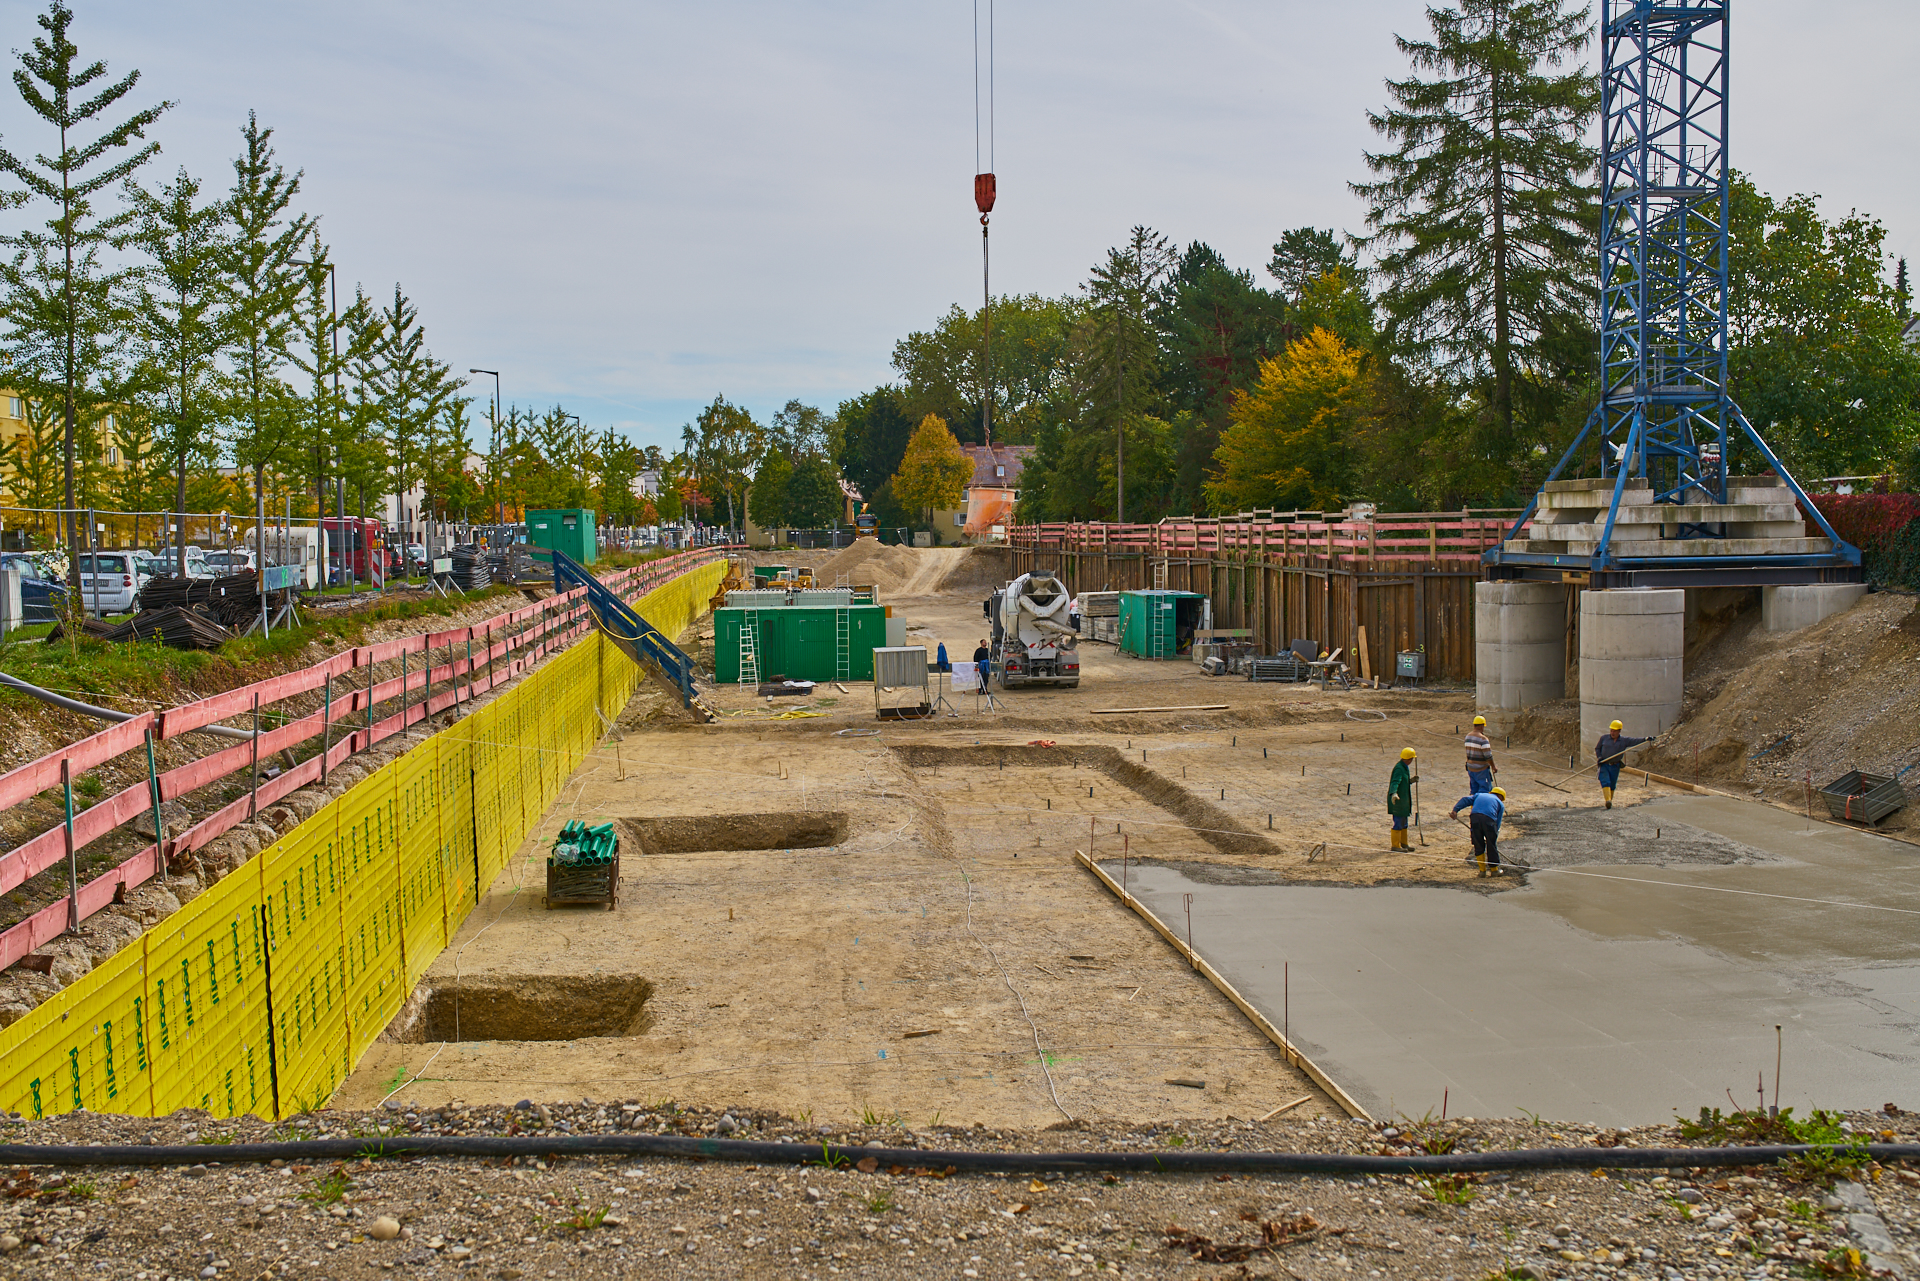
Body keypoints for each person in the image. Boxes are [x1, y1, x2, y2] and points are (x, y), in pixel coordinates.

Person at [1594, 720, 1654, 809]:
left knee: (1612, 784)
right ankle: (1608, 801)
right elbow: (1597, 748)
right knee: (1605, 781)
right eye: (1611, 730)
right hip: (1604, 764)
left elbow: (1635, 741)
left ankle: (1610, 799)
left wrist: (1645, 739)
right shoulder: (1604, 738)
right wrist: (1599, 757)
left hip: (1615, 765)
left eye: (1614, 731)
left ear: (1619, 731)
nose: (1612, 732)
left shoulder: (1624, 741)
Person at [1451, 785, 1507, 877]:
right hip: (1489, 820)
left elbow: (1465, 800)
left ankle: (1482, 871)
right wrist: (1493, 835)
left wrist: (1455, 810)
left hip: (1475, 818)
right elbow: (1498, 821)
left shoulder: (1479, 795)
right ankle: (1494, 870)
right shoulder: (1500, 803)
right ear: (1500, 796)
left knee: (1478, 844)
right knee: (1491, 845)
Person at [1387, 747, 1415, 850]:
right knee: (1398, 822)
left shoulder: (1404, 767)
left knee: (1404, 822)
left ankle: (1404, 843)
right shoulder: (1399, 768)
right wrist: (1393, 793)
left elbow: (1403, 782)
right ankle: (1395, 845)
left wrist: (1410, 781)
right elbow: (1395, 782)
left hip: (1404, 801)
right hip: (1398, 800)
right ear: (1409, 759)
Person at [1463, 715, 1495, 795]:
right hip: (1481, 770)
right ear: (1481, 726)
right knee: (1485, 792)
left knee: (1474, 792)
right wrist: (1493, 766)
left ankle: (1473, 807)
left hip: (1471, 768)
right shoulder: (1483, 739)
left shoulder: (1468, 737)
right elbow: (1488, 756)